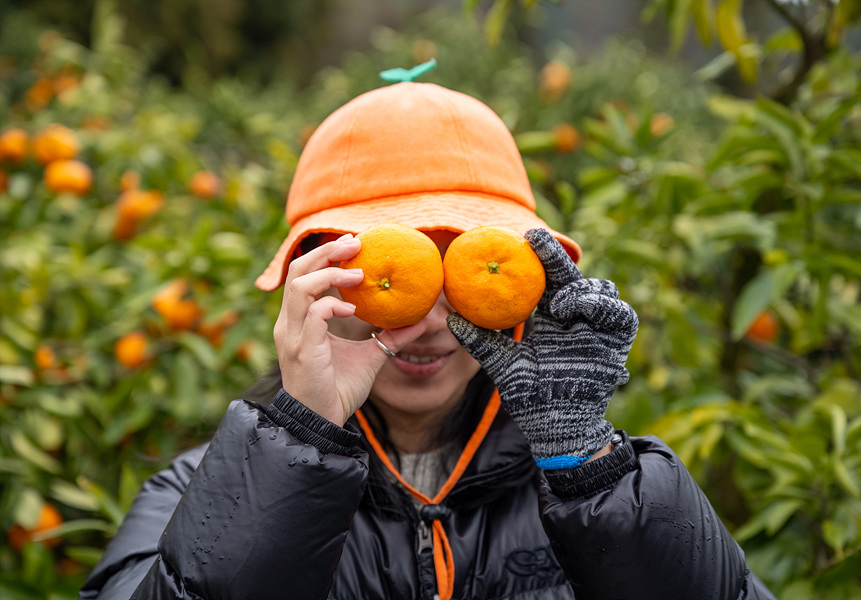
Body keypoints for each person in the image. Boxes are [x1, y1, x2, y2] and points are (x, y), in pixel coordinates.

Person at [80, 80, 777, 600]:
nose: (427, 320)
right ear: (310, 285)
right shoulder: (198, 492)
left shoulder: (586, 481)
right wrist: (300, 442)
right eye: (389, 276)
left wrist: (589, 473)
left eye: (465, 273)